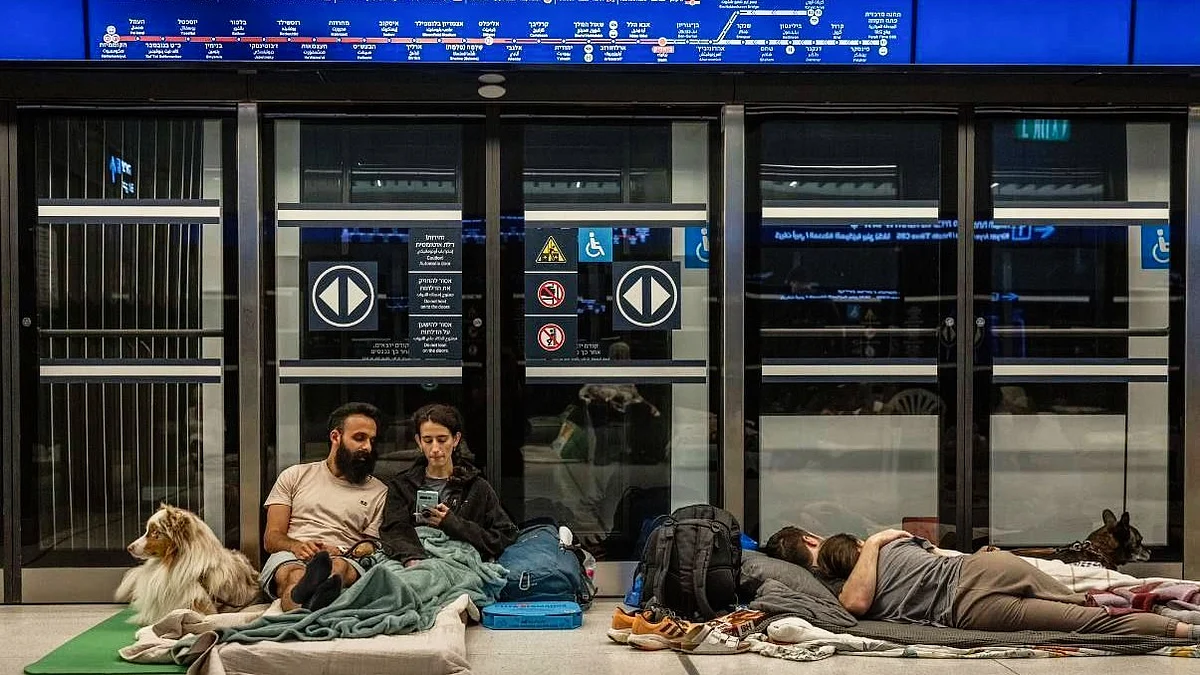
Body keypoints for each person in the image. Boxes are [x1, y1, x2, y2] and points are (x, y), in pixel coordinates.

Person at [764, 526, 1200, 639]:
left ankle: (1186, 631)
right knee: (1083, 603)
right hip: (983, 568)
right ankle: (1156, 600)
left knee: (1088, 624)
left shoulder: (846, 589)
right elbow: (938, 552)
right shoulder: (887, 542)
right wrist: (877, 539)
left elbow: (856, 605)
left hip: (970, 607)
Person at [261, 402, 389, 612]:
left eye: (371, 440)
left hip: (344, 556)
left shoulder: (379, 491)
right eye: (359, 438)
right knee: (295, 574)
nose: (367, 446)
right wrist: (297, 546)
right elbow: (272, 538)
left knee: (338, 569)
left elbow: (372, 547)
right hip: (292, 554)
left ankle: (311, 598)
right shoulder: (294, 476)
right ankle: (309, 598)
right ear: (335, 437)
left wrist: (341, 551)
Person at [379, 403, 517, 565]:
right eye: (428, 441)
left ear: (456, 439)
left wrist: (453, 523)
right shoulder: (402, 485)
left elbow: (504, 536)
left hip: (460, 563)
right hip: (415, 563)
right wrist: (412, 557)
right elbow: (394, 531)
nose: (435, 448)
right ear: (419, 441)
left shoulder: (477, 488)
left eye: (442, 440)